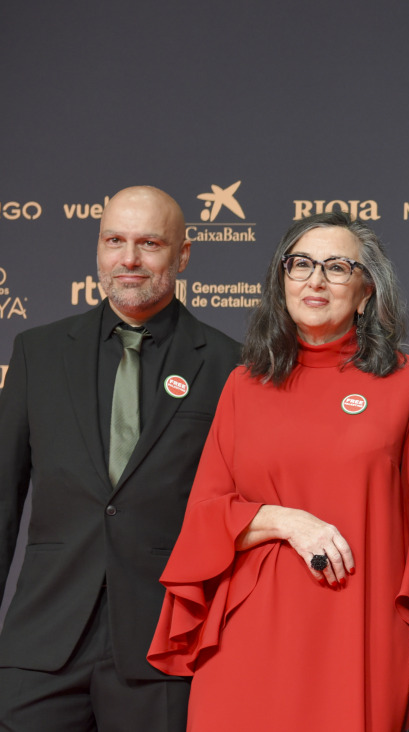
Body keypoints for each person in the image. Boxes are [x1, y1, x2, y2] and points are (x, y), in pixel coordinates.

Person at [147, 211, 409, 730]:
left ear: (367, 290)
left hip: (361, 631)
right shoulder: (244, 385)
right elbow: (205, 515)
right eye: (301, 264)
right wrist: (288, 521)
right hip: (250, 635)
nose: (315, 280)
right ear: (280, 280)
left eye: (337, 267)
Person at [0, 186, 240, 731]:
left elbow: (236, 509)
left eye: (148, 243)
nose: (128, 259)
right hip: (42, 640)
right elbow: (2, 500)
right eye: (115, 241)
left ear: (181, 255)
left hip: (162, 647)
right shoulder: (37, 352)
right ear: (99, 249)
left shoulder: (229, 365)